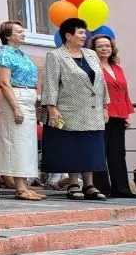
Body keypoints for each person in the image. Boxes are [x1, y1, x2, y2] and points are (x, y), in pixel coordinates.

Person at [41, 18, 109, 200]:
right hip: (69, 109)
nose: (84, 36)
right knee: (72, 147)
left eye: (85, 32)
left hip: (92, 110)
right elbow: (50, 83)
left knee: (90, 147)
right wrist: (52, 108)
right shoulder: (56, 56)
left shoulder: (91, 54)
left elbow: (101, 82)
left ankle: (89, 185)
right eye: (80, 32)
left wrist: (105, 106)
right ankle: (73, 183)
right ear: (68, 35)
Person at [0, 21, 43, 201]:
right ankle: (20, 188)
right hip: (16, 97)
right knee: (17, 142)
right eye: (19, 31)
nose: (23, 34)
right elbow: (3, 83)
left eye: (23, 31)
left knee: (27, 143)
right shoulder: (4, 54)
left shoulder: (21, 54)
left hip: (27, 97)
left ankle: (24, 185)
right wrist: (16, 107)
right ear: (8, 35)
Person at [90, 35, 136, 198]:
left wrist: (126, 114)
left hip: (118, 114)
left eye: (107, 46)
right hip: (100, 114)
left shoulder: (117, 68)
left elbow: (124, 92)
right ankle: (102, 188)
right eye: (100, 46)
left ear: (112, 48)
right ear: (93, 50)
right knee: (100, 151)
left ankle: (121, 189)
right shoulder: (92, 67)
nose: (105, 49)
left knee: (117, 153)